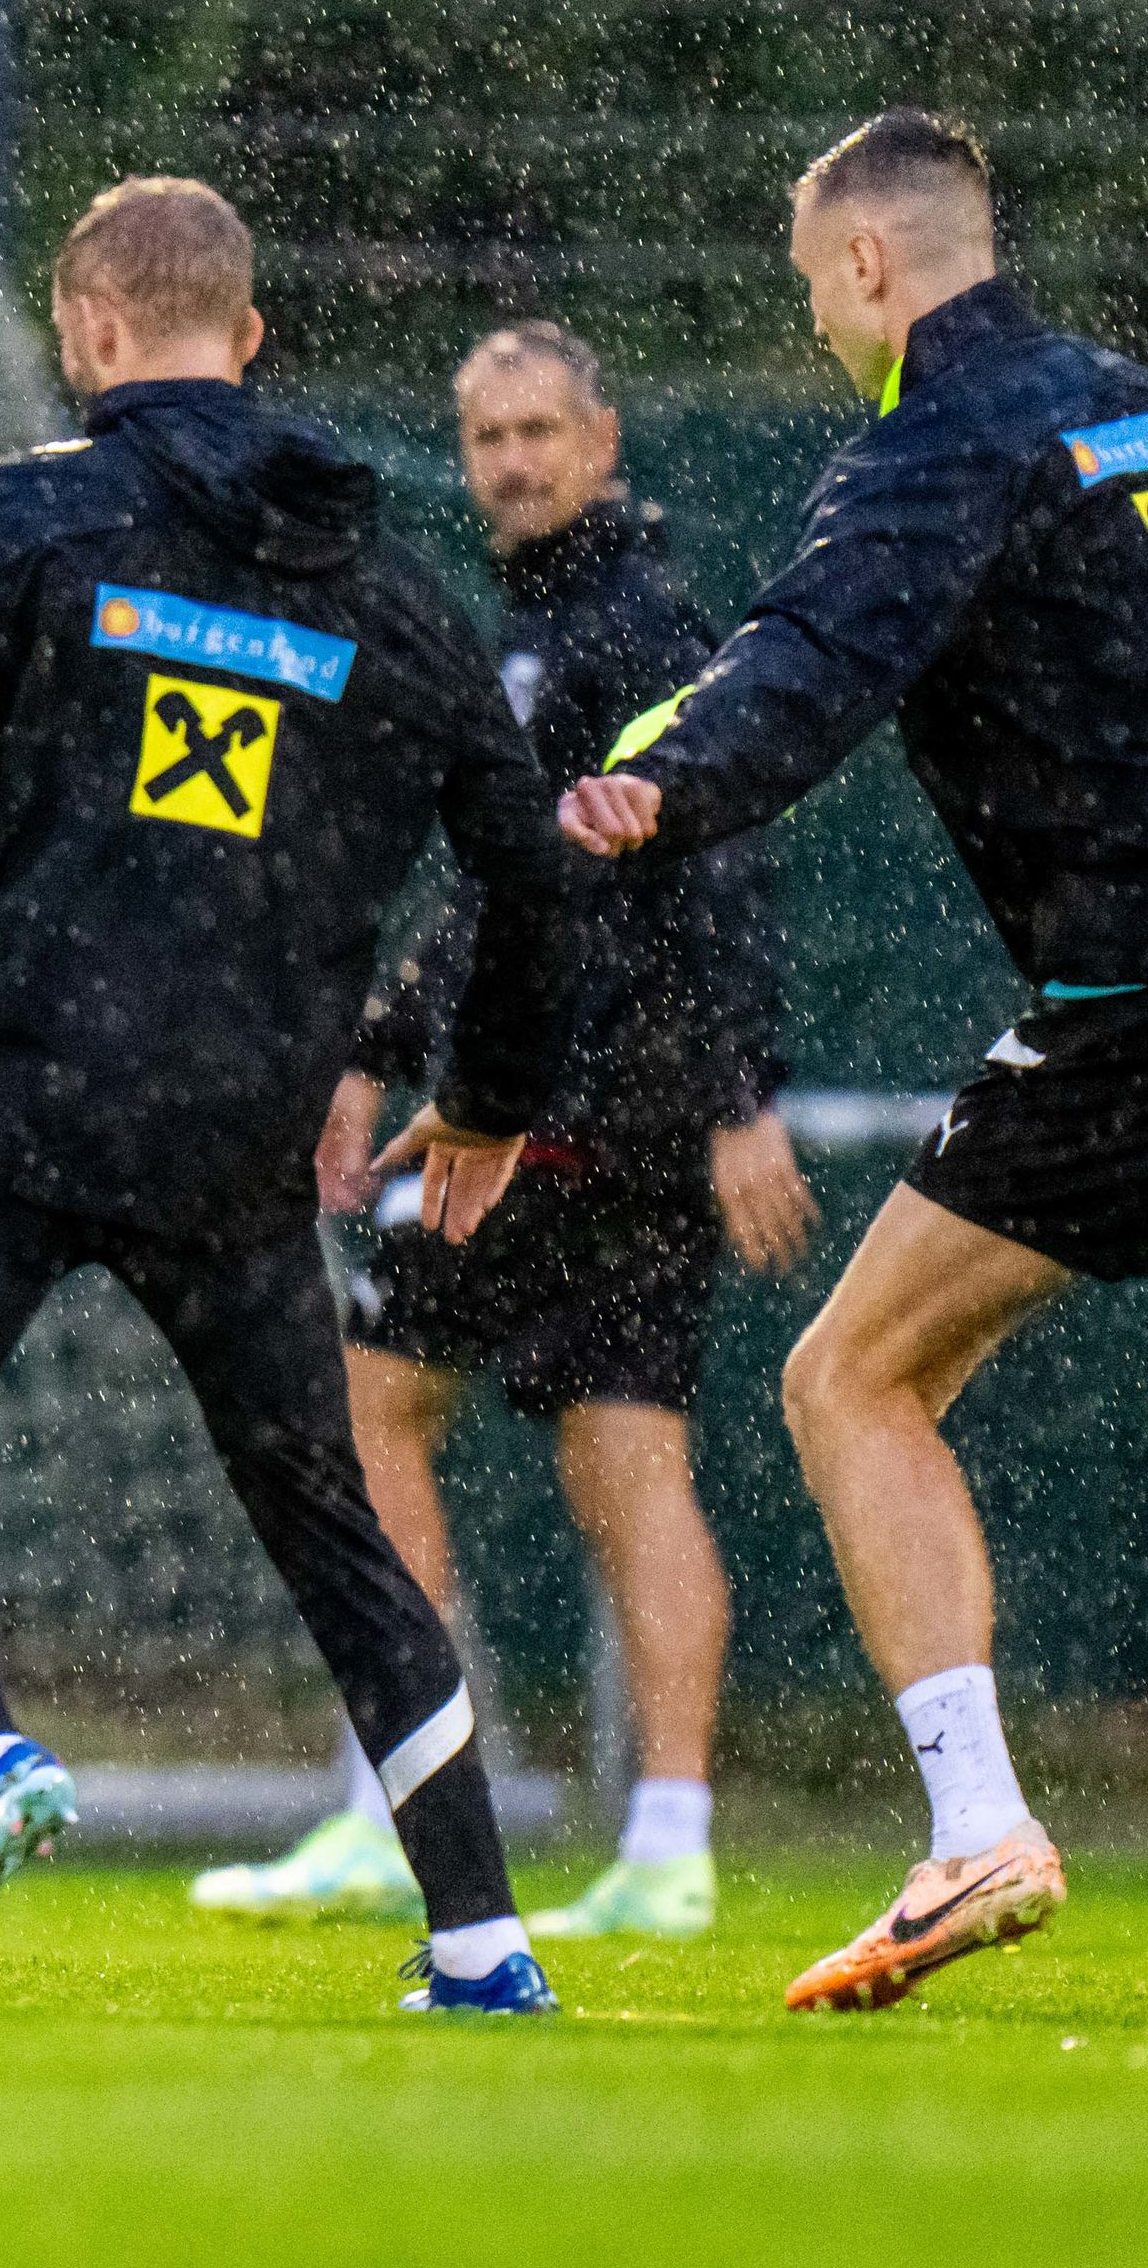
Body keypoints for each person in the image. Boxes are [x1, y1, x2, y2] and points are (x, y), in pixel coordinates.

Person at [562, 107, 1148, 2011]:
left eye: (817, 298)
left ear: (864, 267)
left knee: (851, 1377)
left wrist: (653, 790)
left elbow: (808, 665)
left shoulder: (941, 438)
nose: (827, 336)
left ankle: (975, 1825)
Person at [0, 177, 581, 2013]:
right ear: (245, 340)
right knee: (331, 1526)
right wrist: (486, 1094)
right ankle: (483, 1939)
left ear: (86, 334)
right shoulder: (394, 603)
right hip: (239, 1142)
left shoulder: (11, 524)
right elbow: (536, 878)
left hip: (10, 1098)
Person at [192, 321, 809, 1942]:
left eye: (542, 429)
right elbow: (500, 880)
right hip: (626, 1105)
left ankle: (384, 1799)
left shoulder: (624, 629)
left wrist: (745, 1088)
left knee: (359, 1411)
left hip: (564, 1107)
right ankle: (671, 1845)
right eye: (487, 437)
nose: (517, 461)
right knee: (626, 1451)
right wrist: (387, 1039)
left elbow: (708, 851)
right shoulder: (557, 624)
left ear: (605, 439)